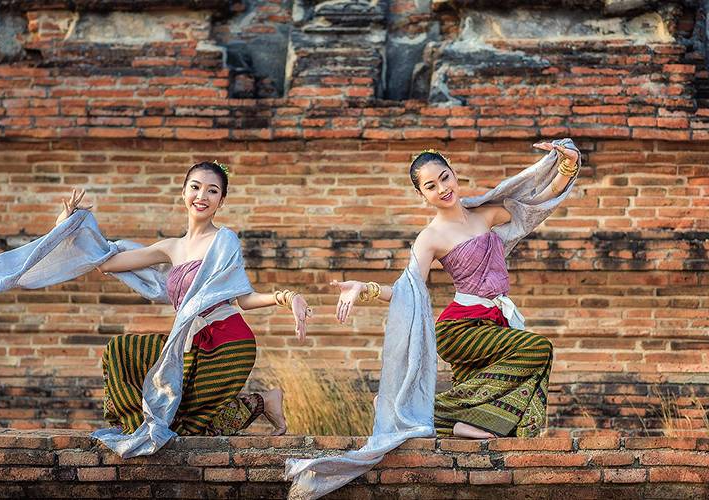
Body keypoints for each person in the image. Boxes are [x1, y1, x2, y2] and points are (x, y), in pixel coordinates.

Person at [332, 141, 580, 439]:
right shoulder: (430, 238)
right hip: (459, 329)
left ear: (454, 174)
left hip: (494, 323)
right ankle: (409, 408)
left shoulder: (486, 215)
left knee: (505, 404)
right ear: (422, 194)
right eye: (431, 186)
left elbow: (538, 202)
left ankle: (462, 424)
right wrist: (364, 289)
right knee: (539, 348)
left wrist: (568, 166)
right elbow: (408, 290)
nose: (442, 189)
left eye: (444, 178)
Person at [55, 161, 312, 437]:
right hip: (188, 343)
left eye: (212, 191)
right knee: (121, 352)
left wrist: (288, 297)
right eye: (196, 187)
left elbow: (245, 299)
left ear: (221, 201)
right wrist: (67, 227)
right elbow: (105, 263)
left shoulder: (224, 241)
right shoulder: (170, 248)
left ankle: (264, 401)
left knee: (191, 431)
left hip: (228, 342)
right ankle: (131, 427)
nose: (202, 196)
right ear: (183, 192)